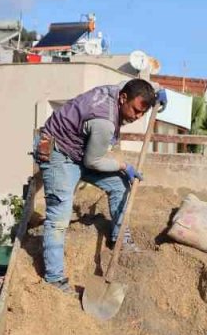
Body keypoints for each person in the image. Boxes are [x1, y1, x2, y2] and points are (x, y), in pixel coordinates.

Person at [36, 78, 166, 294]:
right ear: (123, 98)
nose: (137, 117)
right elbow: (92, 162)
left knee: (119, 184)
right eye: (135, 110)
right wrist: (124, 165)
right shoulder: (104, 121)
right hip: (58, 152)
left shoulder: (120, 91)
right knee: (59, 216)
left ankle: (119, 237)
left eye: (143, 113)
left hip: (80, 149)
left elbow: (134, 85)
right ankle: (54, 278)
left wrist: (158, 92)